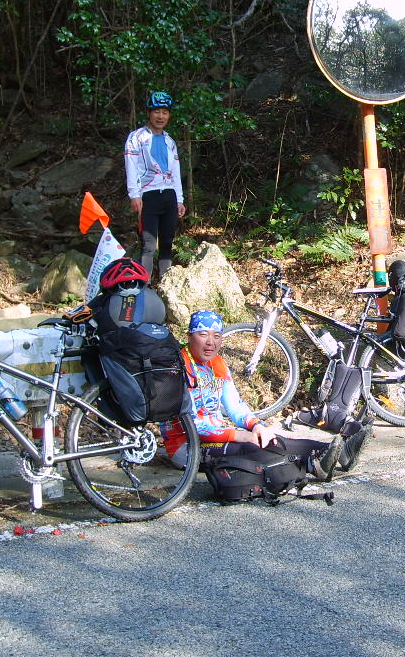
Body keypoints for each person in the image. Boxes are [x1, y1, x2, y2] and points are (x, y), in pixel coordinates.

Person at [161, 310, 373, 482]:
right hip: (187, 446)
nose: (210, 342)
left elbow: (234, 405)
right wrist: (236, 435)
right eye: (203, 334)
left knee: (269, 438)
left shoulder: (217, 364)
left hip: (216, 435)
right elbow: (191, 423)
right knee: (251, 447)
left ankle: (337, 451)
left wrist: (256, 425)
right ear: (189, 336)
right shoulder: (177, 367)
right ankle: (312, 464)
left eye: (216, 336)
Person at [124, 91, 186, 280]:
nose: (160, 116)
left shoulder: (169, 141)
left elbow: (175, 172)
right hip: (148, 195)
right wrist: (134, 194)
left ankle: (167, 286)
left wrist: (180, 200)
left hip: (169, 196)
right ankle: (144, 285)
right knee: (149, 244)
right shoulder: (137, 137)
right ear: (149, 113)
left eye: (165, 112)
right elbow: (131, 166)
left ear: (169, 115)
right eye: (156, 111)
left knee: (167, 242)